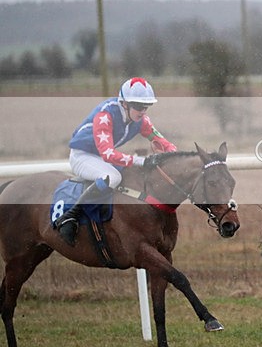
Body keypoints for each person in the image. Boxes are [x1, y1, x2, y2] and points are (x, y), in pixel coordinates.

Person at [54, 77, 177, 245]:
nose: (142, 111)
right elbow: (108, 154)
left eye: (146, 106)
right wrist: (141, 161)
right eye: (138, 106)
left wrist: (176, 156)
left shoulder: (141, 120)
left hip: (100, 157)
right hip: (82, 156)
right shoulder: (105, 115)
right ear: (124, 104)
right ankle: (70, 216)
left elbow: (162, 141)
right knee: (112, 178)